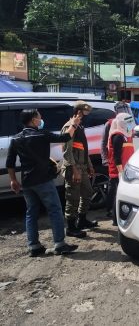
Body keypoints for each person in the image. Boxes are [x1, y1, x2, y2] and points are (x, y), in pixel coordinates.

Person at [6, 109, 80, 256]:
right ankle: (60, 244)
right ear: (33, 120)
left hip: (27, 182)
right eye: (39, 117)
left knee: (31, 213)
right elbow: (65, 137)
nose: (41, 120)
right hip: (43, 180)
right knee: (55, 210)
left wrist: (13, 180)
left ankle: (34, 246)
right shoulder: (42, 134)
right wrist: (74, 124)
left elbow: (10, 162)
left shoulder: (16, 139)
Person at [61, 101, 97, 238]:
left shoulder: (79, 126)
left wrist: (90, 166)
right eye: (84, 113)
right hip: (73, 168)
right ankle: (71, 227)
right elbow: (67, 151)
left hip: (82, 166)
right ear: (78, 112)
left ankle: (82, 220)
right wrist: (74, 169)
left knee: (88, 193)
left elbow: (83, 148)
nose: (85, 116)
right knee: (73, 198)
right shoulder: (70, 127)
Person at [101, 100, 132, 217]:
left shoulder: (128, 121)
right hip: (117, 162)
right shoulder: (111, 124)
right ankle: (111, 211)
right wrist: (105, 159)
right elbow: (104, 142)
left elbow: (132, 137)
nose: (124, 111)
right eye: (122, 109)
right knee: (114, 189)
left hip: (126, 161)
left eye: (126, 109)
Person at [107, 113, 136, 226]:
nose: (129, 125)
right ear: (120, 123)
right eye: (127, 122)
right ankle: (115, 219)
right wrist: (120, 172)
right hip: (118, 171)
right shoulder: (118, 136)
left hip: (125, 170)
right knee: (117, 195)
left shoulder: (126, 134)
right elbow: (117, 156)